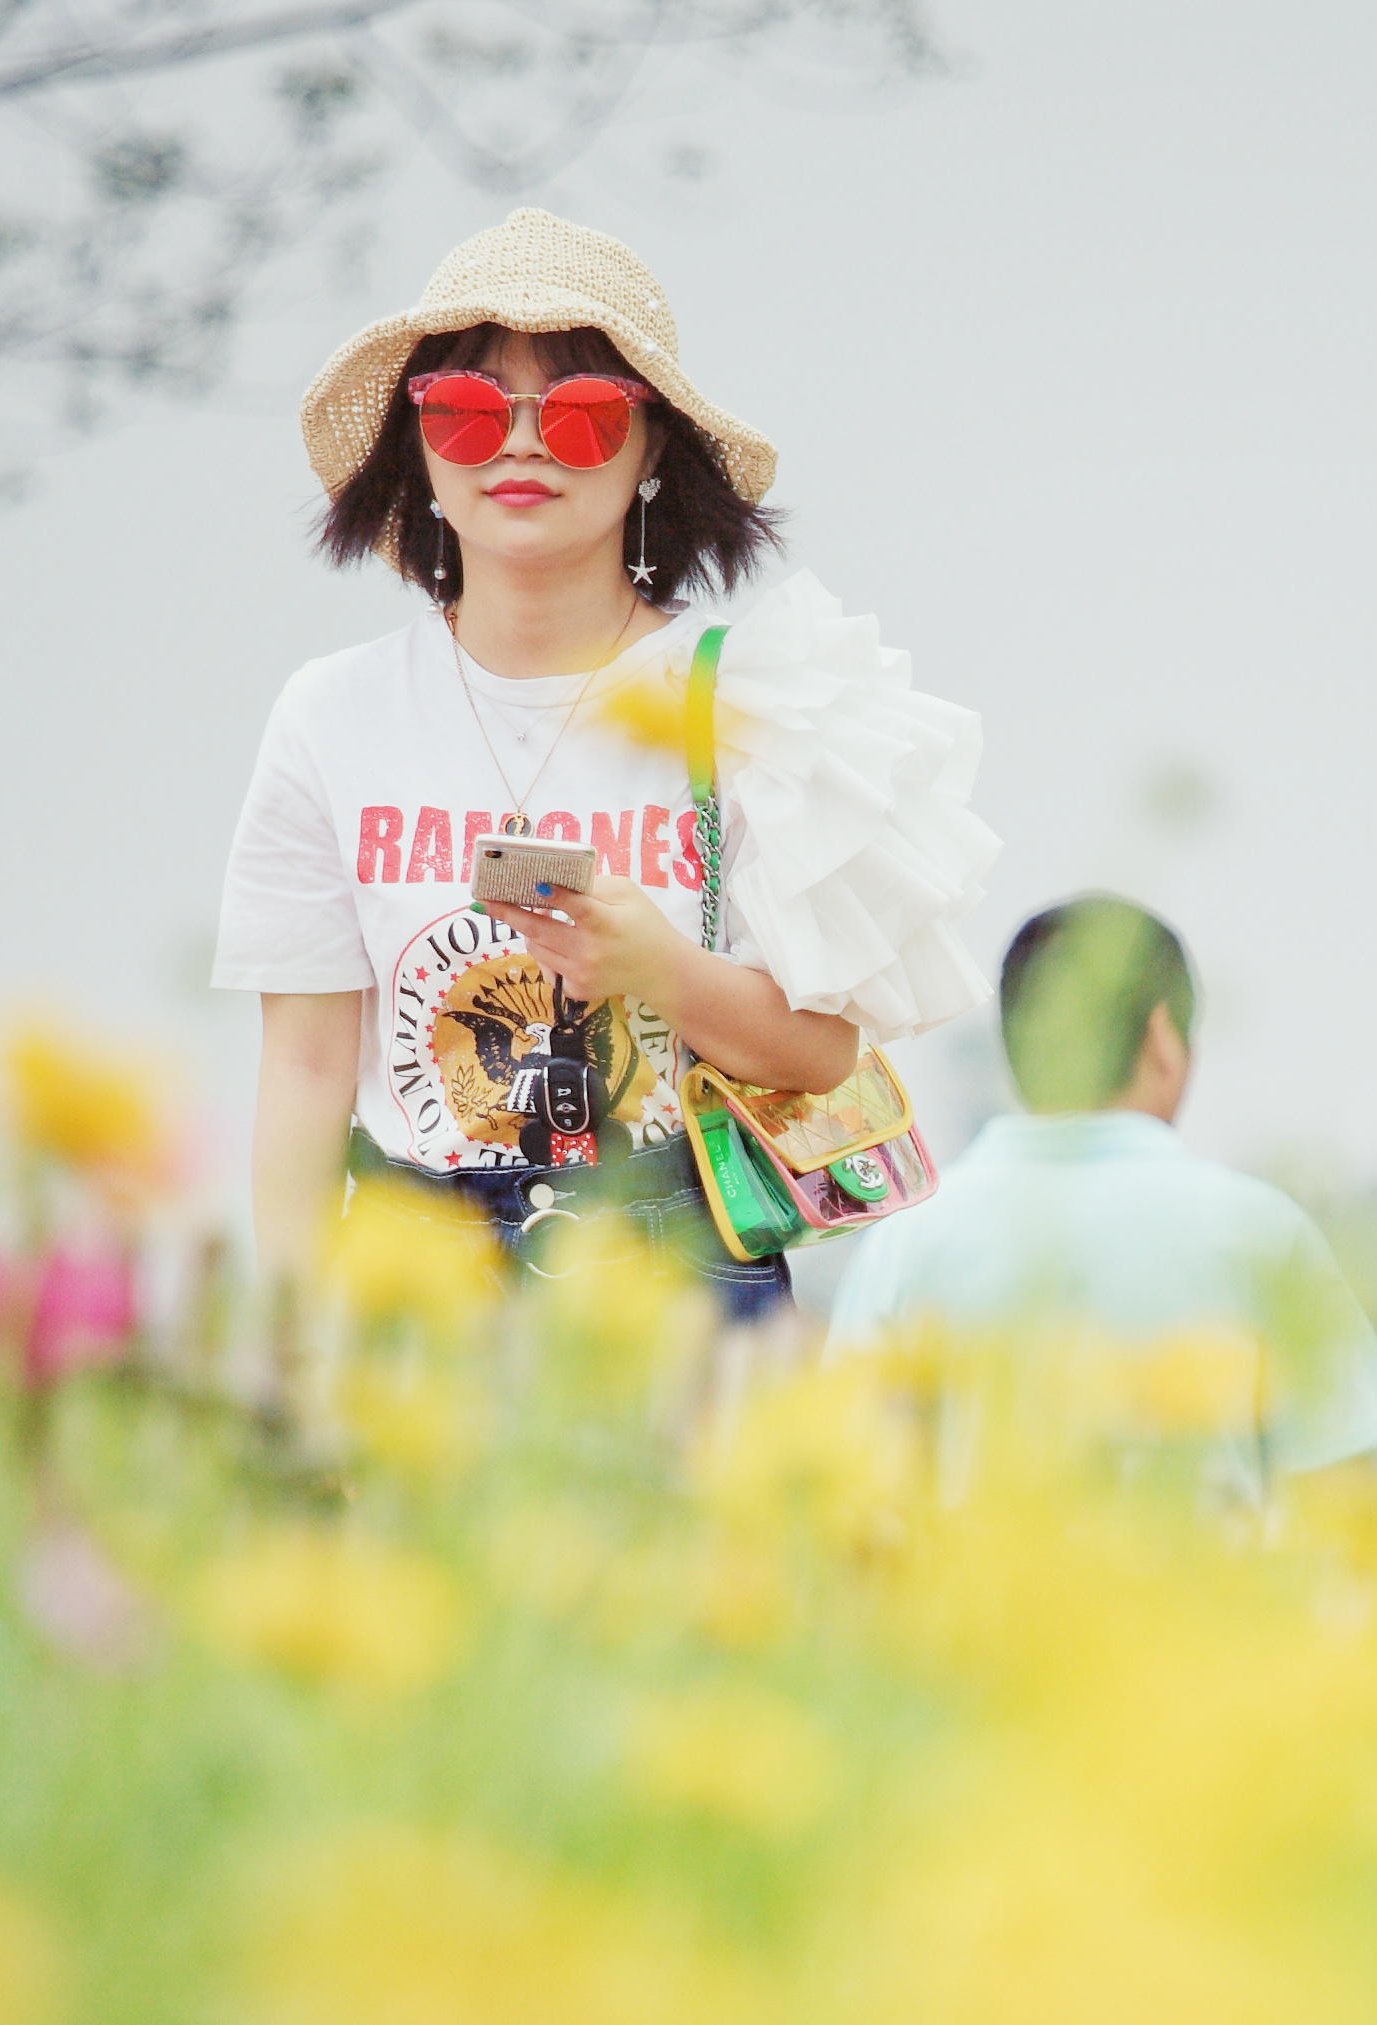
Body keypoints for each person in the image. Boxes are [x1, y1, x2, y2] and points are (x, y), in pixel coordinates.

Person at [212, 207, 996, 1320]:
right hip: (411, 1288)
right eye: (472, 410)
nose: (521, 444)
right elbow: (301, 1070)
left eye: (580, 414)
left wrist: (661, 970)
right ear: (416, 438)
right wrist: (290, 1364)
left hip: (675, 1277)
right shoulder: (331, 716)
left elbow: (824, 1050)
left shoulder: (748, 705)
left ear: (652, 448)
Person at [825, 895, 1377, 1497]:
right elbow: (1345, 1506)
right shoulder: (1262, 1233)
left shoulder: (909, 1239)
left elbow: (853, 1497)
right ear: (1163, 1037)